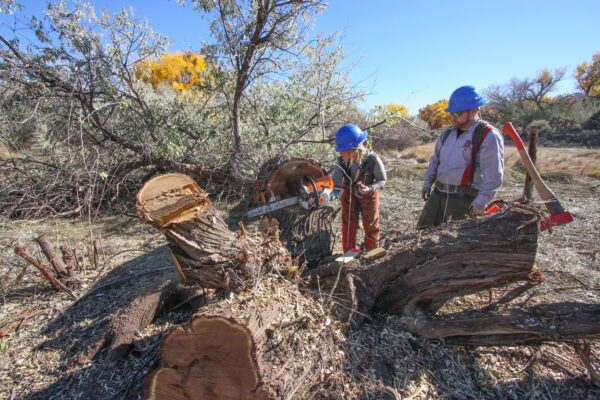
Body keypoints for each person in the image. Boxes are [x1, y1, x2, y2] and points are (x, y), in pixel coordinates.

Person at [417, 85, 504, 228]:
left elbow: (494, 175)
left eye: (457, 114)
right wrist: (427, 183)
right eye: (451, 114)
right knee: (421, 235)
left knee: (452, 245)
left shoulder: (487, 135)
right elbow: (435, 161)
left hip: (465, 200)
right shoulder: (446, 133)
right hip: (438, 195)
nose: (452, 118)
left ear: (473, 111)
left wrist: (480, 202)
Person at [331, 124, 387, 253]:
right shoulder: (341, 161)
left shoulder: (372, 159)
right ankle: (349, 253)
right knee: (348, 224)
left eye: (344, 151)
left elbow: (382, 179)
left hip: (368, 193)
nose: (341, 154)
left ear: (354, 148)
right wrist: (332, 193)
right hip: (348, 193)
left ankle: (372, 252)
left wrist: (371, 188)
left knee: (371, 224)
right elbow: (336, 184)